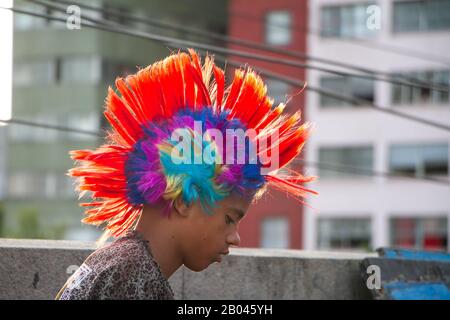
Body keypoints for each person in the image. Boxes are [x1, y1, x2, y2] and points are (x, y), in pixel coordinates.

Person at [55, 49, 317, 300]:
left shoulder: (118, 261)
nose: (235, 238)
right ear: (183, 201)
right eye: (229, 219)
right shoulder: (135, 278)